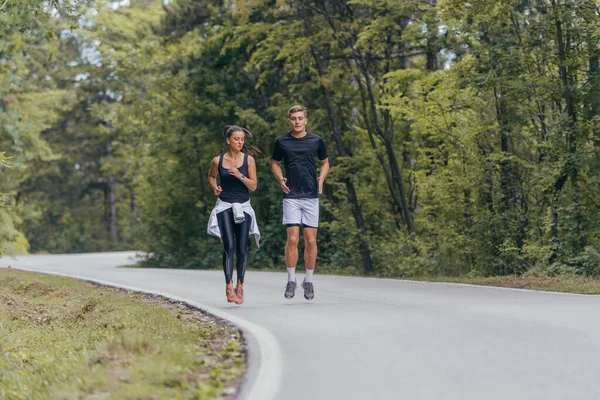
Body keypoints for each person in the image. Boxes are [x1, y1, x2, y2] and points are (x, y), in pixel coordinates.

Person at [271, 105, 330, 300]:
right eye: (293, 118)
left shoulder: (316, 140)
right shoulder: (282, 141)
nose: (297, 121)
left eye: (300, 118)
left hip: (311, 195)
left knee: (311, 240)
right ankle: (291, 280)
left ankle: (309, 280)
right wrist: (280, 180)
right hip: (291, 196)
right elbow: (275, 164)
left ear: (306, 120)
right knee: (293, 239)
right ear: (289, 121)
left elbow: (325, 162)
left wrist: (321, 179)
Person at [207, 125, 261, 305]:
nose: (240, 142)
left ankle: (240, 286)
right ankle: (229, 286)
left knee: (242, 248)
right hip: (224, 206)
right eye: (236, 139)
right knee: (229, 245)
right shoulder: (218, 160)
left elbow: (253, 186)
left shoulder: (249, 160)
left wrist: (240, 175)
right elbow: (211, 177)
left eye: (242, 139)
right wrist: (215, 187)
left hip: (243, 206)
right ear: (228, 140)